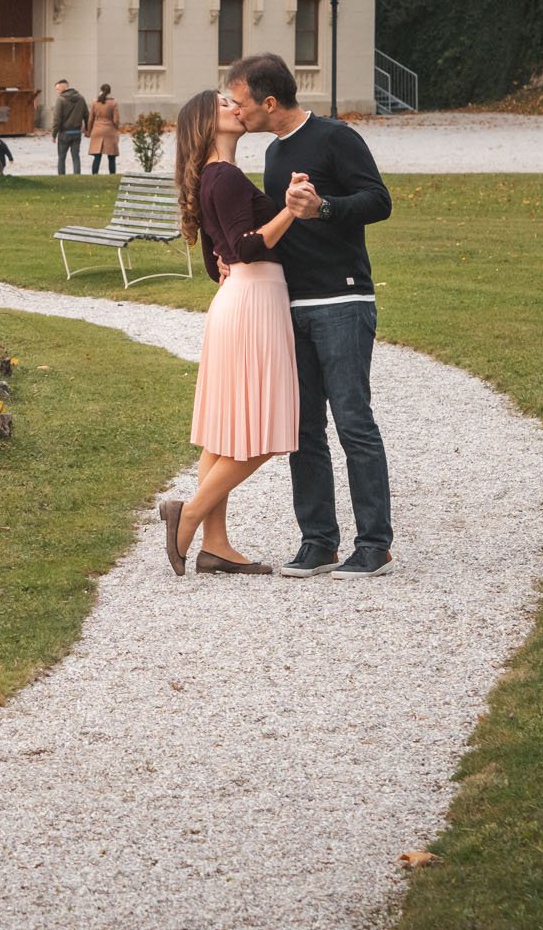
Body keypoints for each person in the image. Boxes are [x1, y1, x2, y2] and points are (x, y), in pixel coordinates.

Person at [223, 53, 395, 579]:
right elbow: (270, 225)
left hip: (342, 302)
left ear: (269, 102)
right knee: (303, 429)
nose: (235, 110)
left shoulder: (335, 138)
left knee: (353, 422)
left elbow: (379, 201)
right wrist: (229, 257)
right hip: (291, 304)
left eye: (240, 101)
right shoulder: (275, 155)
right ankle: (318, 540)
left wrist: (324, 208)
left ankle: (374, 545)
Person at [157, 88, 299, 577]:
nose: (236, 108)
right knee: (265, 434)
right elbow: (244, 247)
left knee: (222, 437)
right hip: (254, 301)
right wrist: (291, 210)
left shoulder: (212, 179)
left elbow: (217, 257)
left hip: (237, 299)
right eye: (224, 105)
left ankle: (216, 546)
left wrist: (229, 260)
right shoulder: (227, 176)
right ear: (206, 124)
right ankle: (189, 517)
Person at [51, 79, 88, 175]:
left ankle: (62, 177)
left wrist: (54, 134)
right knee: (76, 156)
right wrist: (87, 129)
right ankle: (77, 176)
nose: (57, 91)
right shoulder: (81, 98)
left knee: (62, 157)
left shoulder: (61, 100)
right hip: (76, 132)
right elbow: (86, 115)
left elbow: (57, 119)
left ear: (63, 88)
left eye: (57, 89)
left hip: (64, 133)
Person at [86, 83, 122, 174]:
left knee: (97, 156)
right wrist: (117, 128)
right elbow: (116, 120)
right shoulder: (113, 103)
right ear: (110, 91)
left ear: (100, 90)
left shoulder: (95, 102)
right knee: (111, 156)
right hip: (109, 131)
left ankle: (94, 175)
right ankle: (112, 174)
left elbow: (90, 119)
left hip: (97, 129)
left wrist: (89, 131)